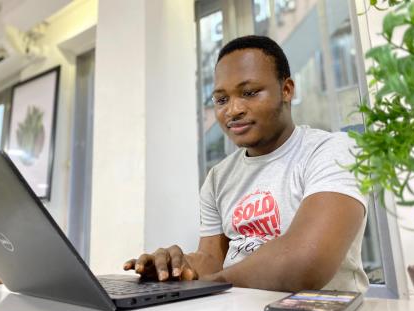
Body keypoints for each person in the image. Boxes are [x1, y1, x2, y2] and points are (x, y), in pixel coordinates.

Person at [123, 35, 369, 292]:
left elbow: (306, 261)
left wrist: (208, 283)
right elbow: (212, 261)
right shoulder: (218, 177)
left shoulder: (334, 151)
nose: (233, 110)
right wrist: (177, 268)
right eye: (221, 99)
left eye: (249, 93)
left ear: (286, 90)